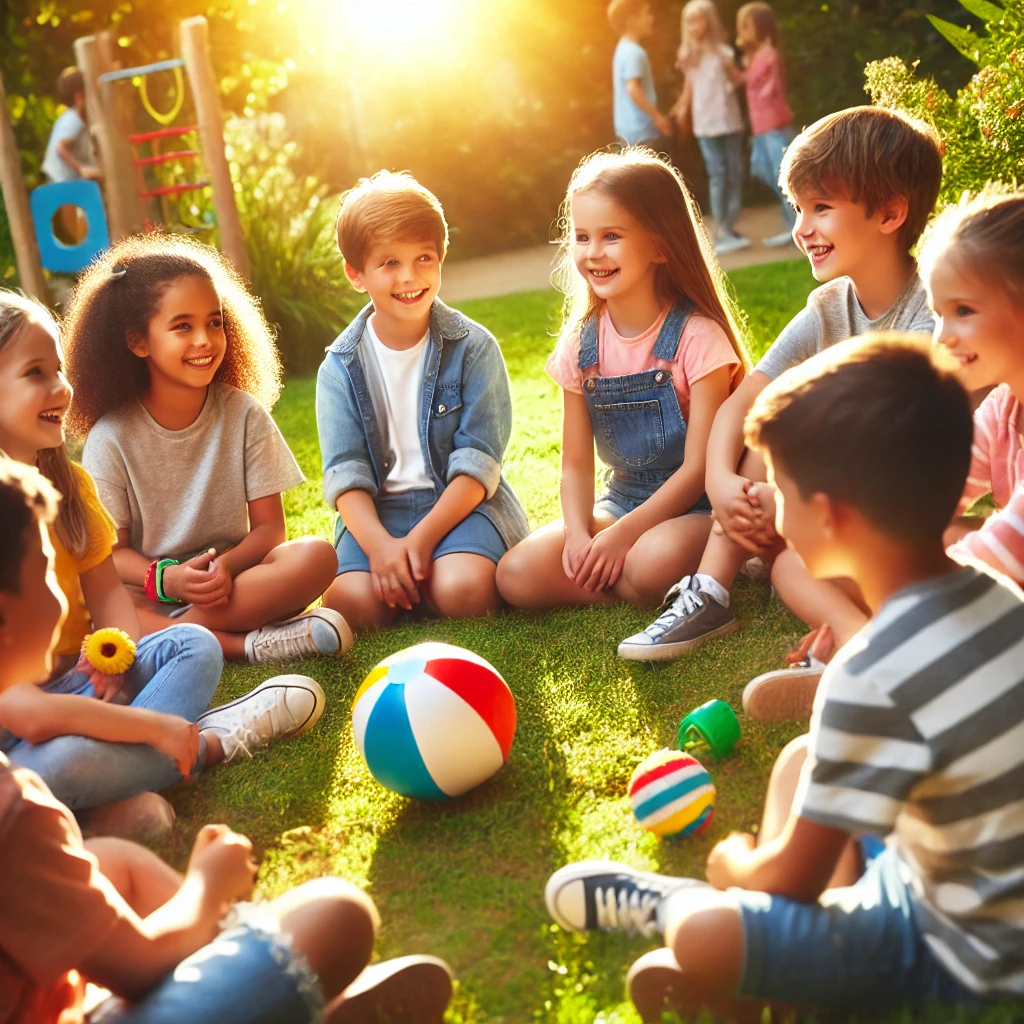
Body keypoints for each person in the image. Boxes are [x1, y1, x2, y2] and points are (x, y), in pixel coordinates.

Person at [546, 335, 1024, 1020]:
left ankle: (689, 915)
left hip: (957, 953)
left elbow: (790, 876)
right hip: (957, 873)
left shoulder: (869, 671)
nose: (769, 506)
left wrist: (733, 865)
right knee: (801, 759)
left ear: (829, 515)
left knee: (707, 932)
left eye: (781, 489)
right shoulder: (999, 594)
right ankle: (785, 975)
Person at [0, 456, 455, 1024]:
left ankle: (272, 994)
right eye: (45, 571)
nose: (64, 596)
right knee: (336, 916)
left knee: (118, 863)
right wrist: (207, 886)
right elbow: (138, 966)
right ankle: (304, 1004)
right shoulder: (16, 813)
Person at [618, 106, 942, 673]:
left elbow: (891, 447)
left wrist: (794, 500)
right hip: (821, 515)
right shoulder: (827, 309)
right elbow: (744, 402)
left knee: (798, 445)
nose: (802, 228)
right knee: (771, 433)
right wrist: (720, 479)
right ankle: (711, 594)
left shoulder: (931, 313)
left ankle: (863, 651)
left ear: (891, 213)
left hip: (893, 518)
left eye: (821, 207)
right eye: (798, 208)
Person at [0, 290, 327, 840]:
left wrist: (116, 660)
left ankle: (104, 799)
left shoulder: (71, 487)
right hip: (19, 730)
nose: (60, 387)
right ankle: (206, 742)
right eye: (35, 372)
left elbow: (107, 599)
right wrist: (149, 726)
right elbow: (24, 712)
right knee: (59, 768)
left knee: (191, 645)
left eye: (58, 367)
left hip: (84, 687)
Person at [744, 187, 1024, 722]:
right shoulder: (1004, 410)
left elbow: (1003, 551)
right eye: (939, 314)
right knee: (803, 560)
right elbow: (923, 495)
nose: (942, 336)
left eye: (964, 311)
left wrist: (894, 621)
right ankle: (863, 652)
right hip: (995, 603)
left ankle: (874, 666)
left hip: (1006, 616)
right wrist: (820, 507)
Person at [60, 234, 350, 664]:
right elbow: (112, 553)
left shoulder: (243, 413)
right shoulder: (110, 437)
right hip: (150, 594)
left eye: (214, 323)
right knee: (98, 610)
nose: (205, 340)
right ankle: (247, 644)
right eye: (183, 326)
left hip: (238, 584)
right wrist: (170, 580)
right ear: (138, 342)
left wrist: (226, 570)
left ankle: (180, 638)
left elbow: (270, 532)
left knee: (317, 556)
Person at [497, 149, 747, 611]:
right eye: (582, 236)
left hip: (695, 509)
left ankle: (665, 569)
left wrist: (622, 539)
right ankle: (622, 579)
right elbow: (574, 464)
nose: (593, 253)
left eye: (611, 236)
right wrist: (577, 534)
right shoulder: (581, 346)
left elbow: (697, 472)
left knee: (648, 564)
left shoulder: (699, 338)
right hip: (621, 503)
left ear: (659, 245)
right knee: (516, 576)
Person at [318, 171, 528, 631]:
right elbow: (345, 474)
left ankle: (431, 577)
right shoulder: (340, 367)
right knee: (350, 605)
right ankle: (411, 582)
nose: (409, 277)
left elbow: (478, 463)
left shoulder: (474, 348)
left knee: (462, 590)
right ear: (356, 274)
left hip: (459, 505)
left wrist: (418, 542)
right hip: (377, 514)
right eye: (389, 263)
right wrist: (381, 548)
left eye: (423, 259)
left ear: (441, 260)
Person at [671, 0, 748, 255]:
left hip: (729, 120)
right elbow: (690, 88)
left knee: (734, 174)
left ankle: (728, 224)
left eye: (699, 19)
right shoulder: (688, 57)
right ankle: (721, 230)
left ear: (709, 20)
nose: (695, 26)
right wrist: (681, 107)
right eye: (690, 21)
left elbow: (737, 79)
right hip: (705, 123)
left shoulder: (723, 51)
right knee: (717, 175)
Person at [724, 2, 796, 248]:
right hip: (762, 129)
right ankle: (791, 221)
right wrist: (730, 65)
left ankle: (793, 226)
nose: (741, 32)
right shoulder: (755, 57)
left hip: (774, 127)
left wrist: (765, 89)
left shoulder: (769, 55)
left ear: (761, 28)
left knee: (784, 176)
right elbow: (744, 80)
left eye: (746, 27)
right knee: (762, 170)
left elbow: (768, 84)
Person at [41, 67, 100, 245]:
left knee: (81, 218)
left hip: (65, 180)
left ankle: (86, 248)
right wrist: (82, 168)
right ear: (80, 96)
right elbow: (60, 148)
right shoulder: (72, 118)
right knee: (77, 220)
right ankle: (86, 252)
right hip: (61, 179)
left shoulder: (76, 118)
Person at [607, 0, 672, 150]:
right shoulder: (635, 52)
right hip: (642, 131)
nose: (651, 18)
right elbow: (633, 89)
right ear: (632, 21)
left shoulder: (621, 49)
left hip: (626, 131)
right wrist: (657, 117)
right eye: (646, 13)